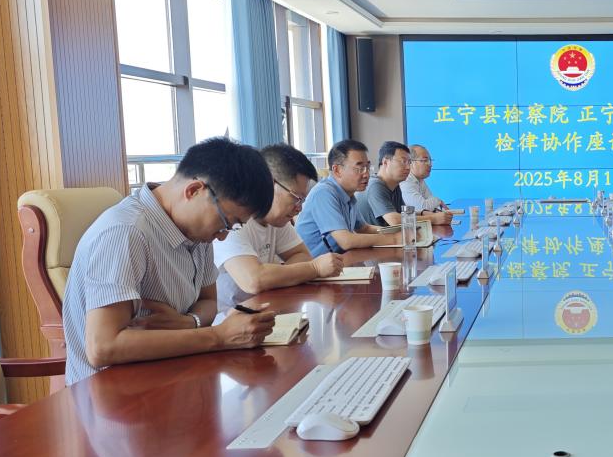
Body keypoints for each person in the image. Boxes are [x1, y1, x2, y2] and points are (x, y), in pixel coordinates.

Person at [61, 137, 278, 385]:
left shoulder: (197, 232)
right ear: (194, 191)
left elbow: (208, 301)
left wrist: (190, 322)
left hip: (174, 374)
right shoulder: (125, 232)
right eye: (226, 222)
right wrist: (218, 336)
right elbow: (103, 347)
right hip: (114, 392)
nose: (223, 235)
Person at [213, 143, 345, 307]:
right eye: (296, 197)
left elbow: (302, 255)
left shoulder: (276, 221)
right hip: (230, 316)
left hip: (266, 307)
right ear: (269, 183)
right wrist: (315, 268)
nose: (299, 208)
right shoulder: (234, 219)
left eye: (302, 200)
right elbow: (253, 280)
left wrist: (272, 276)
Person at [295, 139, 403, 256]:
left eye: (368, 167)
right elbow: (346, 241)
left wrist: (399, 232)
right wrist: (394, 239)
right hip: (312, 264)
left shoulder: (349, 195)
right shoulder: (324, 193)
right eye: (360, 168)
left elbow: (364, 228)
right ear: (337, 170)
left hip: (336, 261)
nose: (366, 174)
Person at [355, 140, 440, 227]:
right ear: (386, 162)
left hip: (389, 234)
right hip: (373, 236)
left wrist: (422, 213)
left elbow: (402, 214)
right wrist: (434, 218)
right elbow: (395, 220)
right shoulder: (375, 185)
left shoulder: (395, 185)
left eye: (409, 162)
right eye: (403, 161)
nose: (408, 167)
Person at [401, 144, 456, 224]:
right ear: (410, 162)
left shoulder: (420, 179)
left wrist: (436, 205)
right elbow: (423, 207)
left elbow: (432, 205)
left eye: (430, 160)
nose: (430, 164)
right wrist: (438, 201)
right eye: (425, 160)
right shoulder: (406, 181)